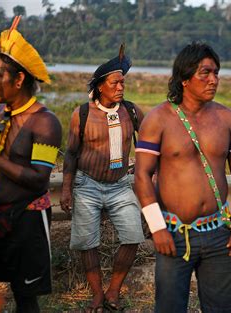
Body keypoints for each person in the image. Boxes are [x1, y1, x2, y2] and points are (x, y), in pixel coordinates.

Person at [134, 42, 231, 313]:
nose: (214, 80)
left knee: (223, 309)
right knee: (170, 307)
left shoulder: (226, 118)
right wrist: (157, 227)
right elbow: (142, 174)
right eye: (205, 73)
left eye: (216, 73)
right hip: (173, 234)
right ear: (185, 79)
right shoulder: (158, 119)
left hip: (220, 233)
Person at [0, 16, 62, 312]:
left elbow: (38, 180)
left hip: (26, 223)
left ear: (19, 80)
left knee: (25, 298)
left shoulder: (45, 123)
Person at [60, 45, 145, 312]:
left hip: (120, 185)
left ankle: (113, 291)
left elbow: (150, 144)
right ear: (100, 87)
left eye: (123, 82)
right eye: (115, 82)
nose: (121, 87)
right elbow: (71, 154)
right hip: (87, 185)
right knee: (87, 242)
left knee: (133, 237)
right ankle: (97, 295)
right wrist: (66, 189)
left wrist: (143, 169)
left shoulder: (131, 111)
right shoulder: (82, 114)